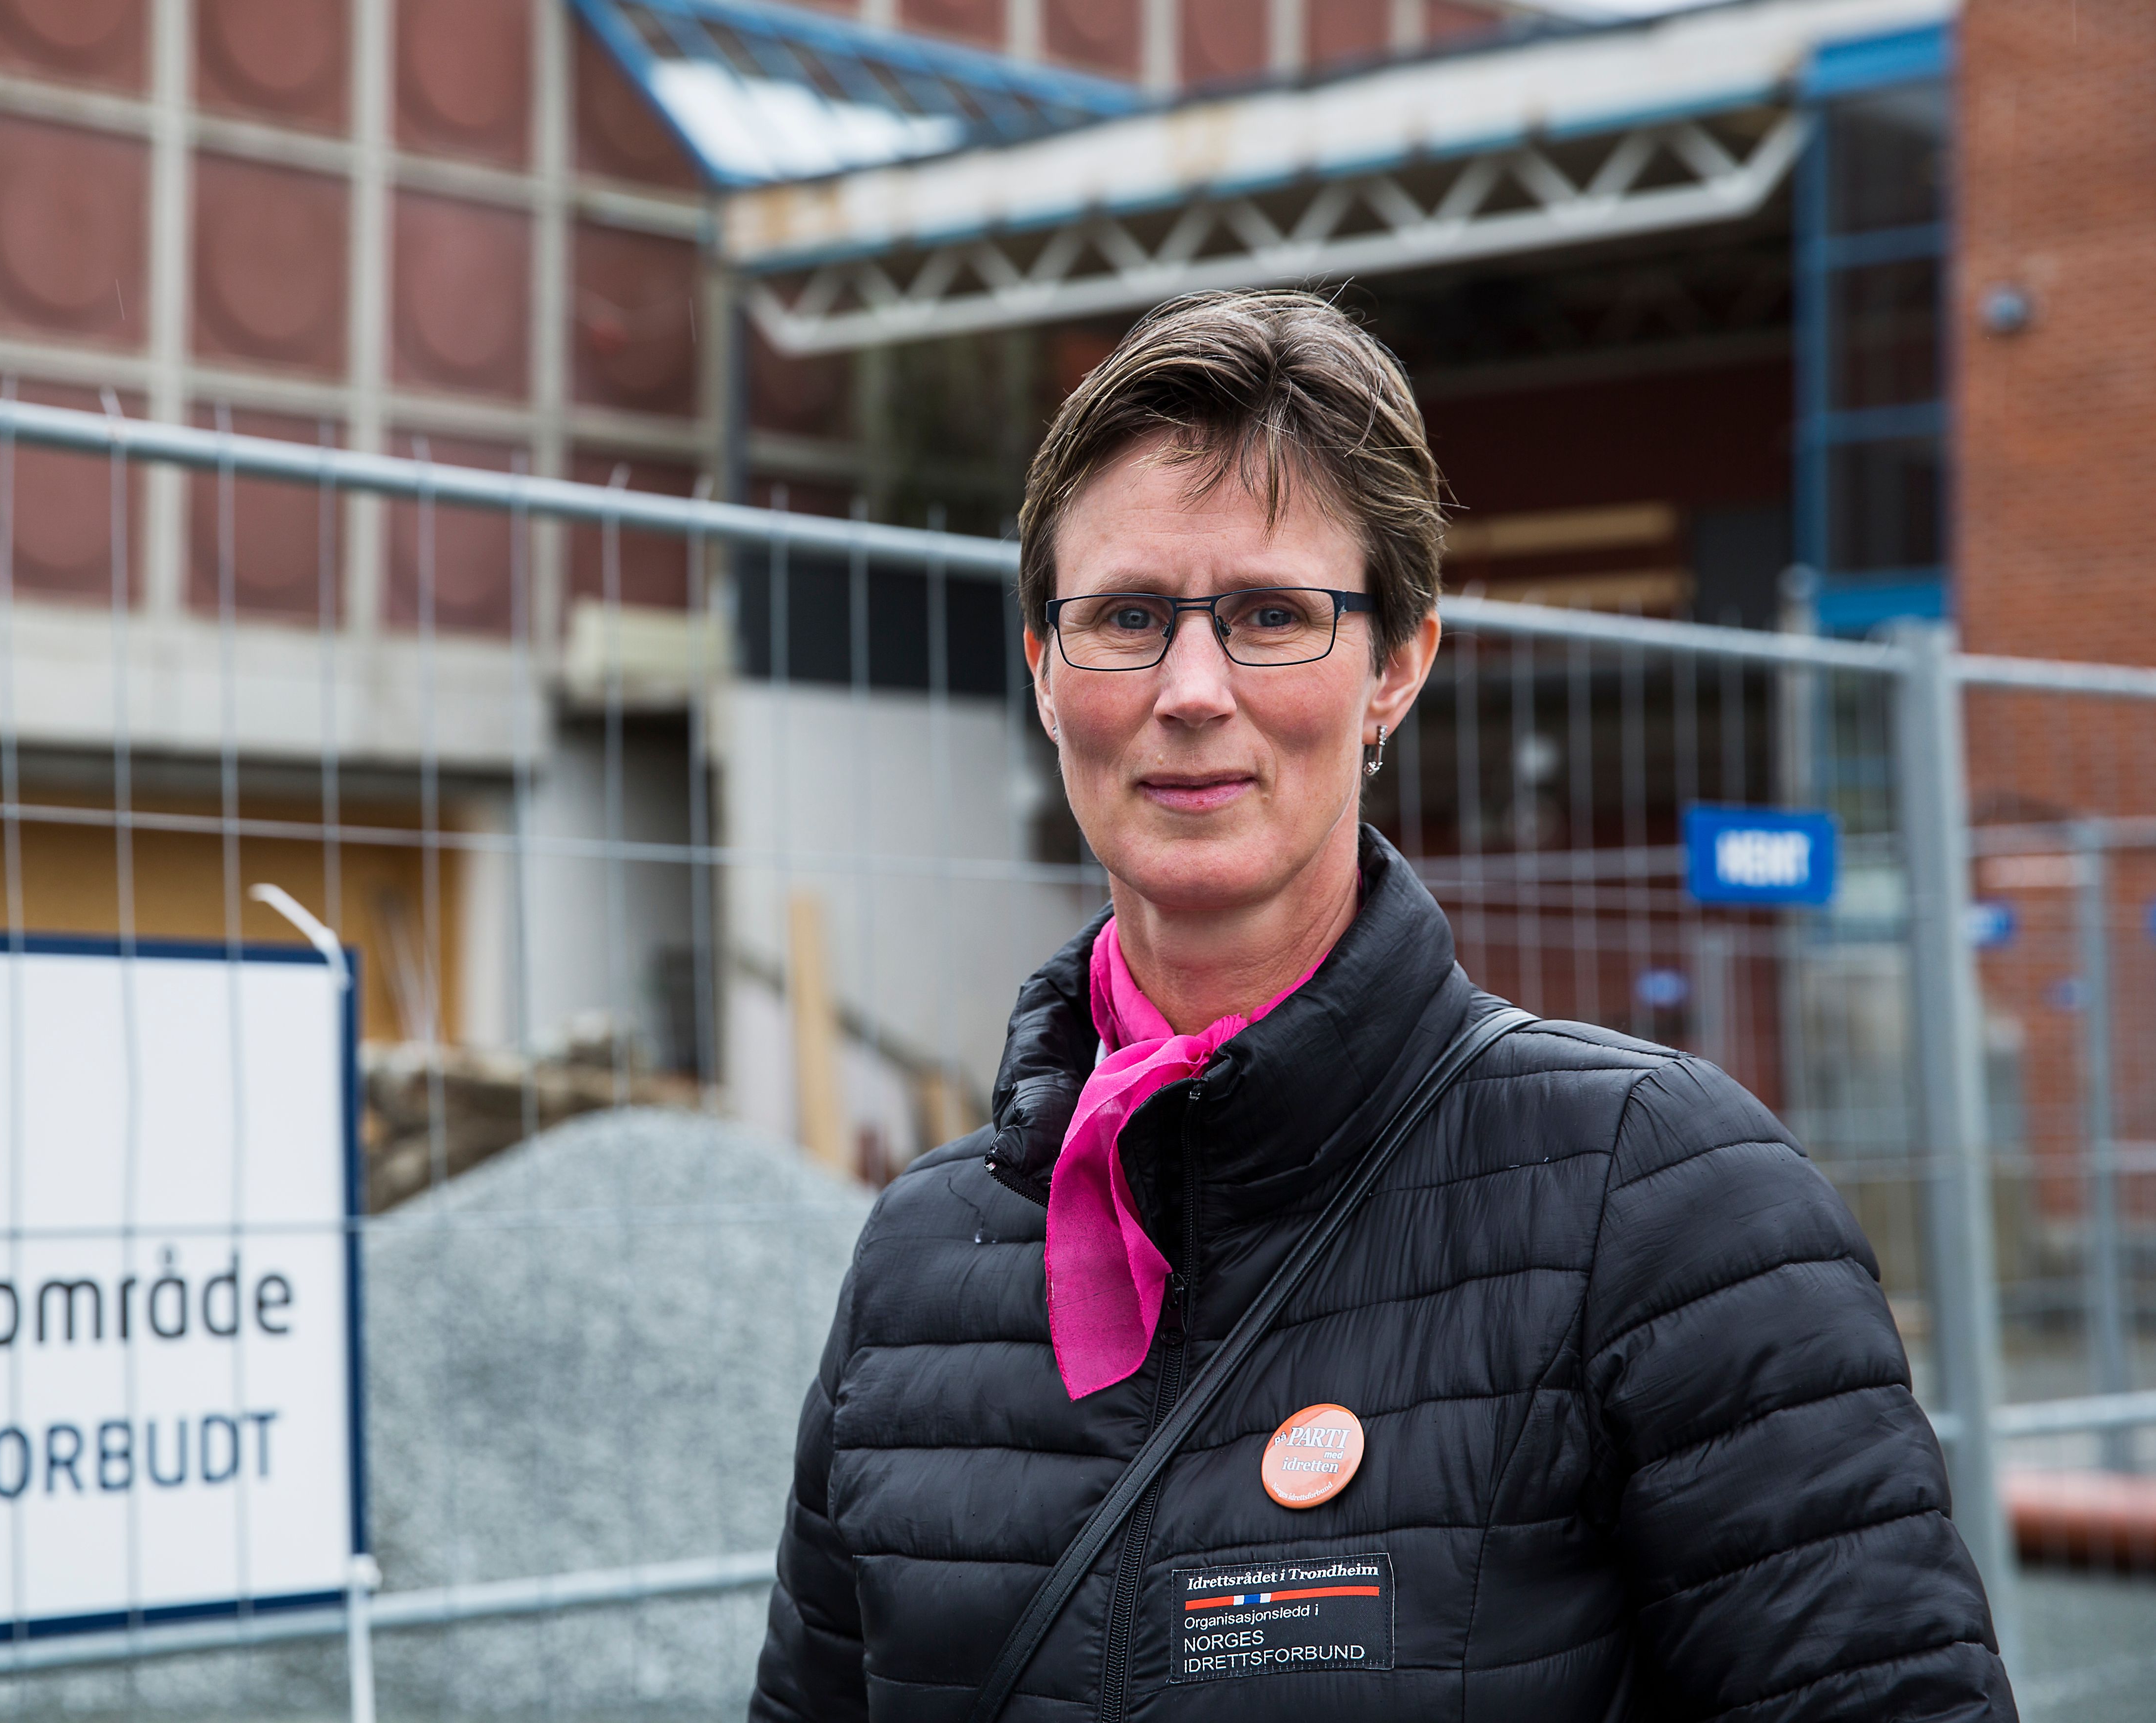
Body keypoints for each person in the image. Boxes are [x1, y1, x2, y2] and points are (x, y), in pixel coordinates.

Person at [749, 292, 2012, 1722]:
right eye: (1126, 617)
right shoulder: (916, 1269)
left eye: (1272, 616)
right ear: (1045, 673)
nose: (1191, 689)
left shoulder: (1666, 1205)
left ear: (1396, 669)